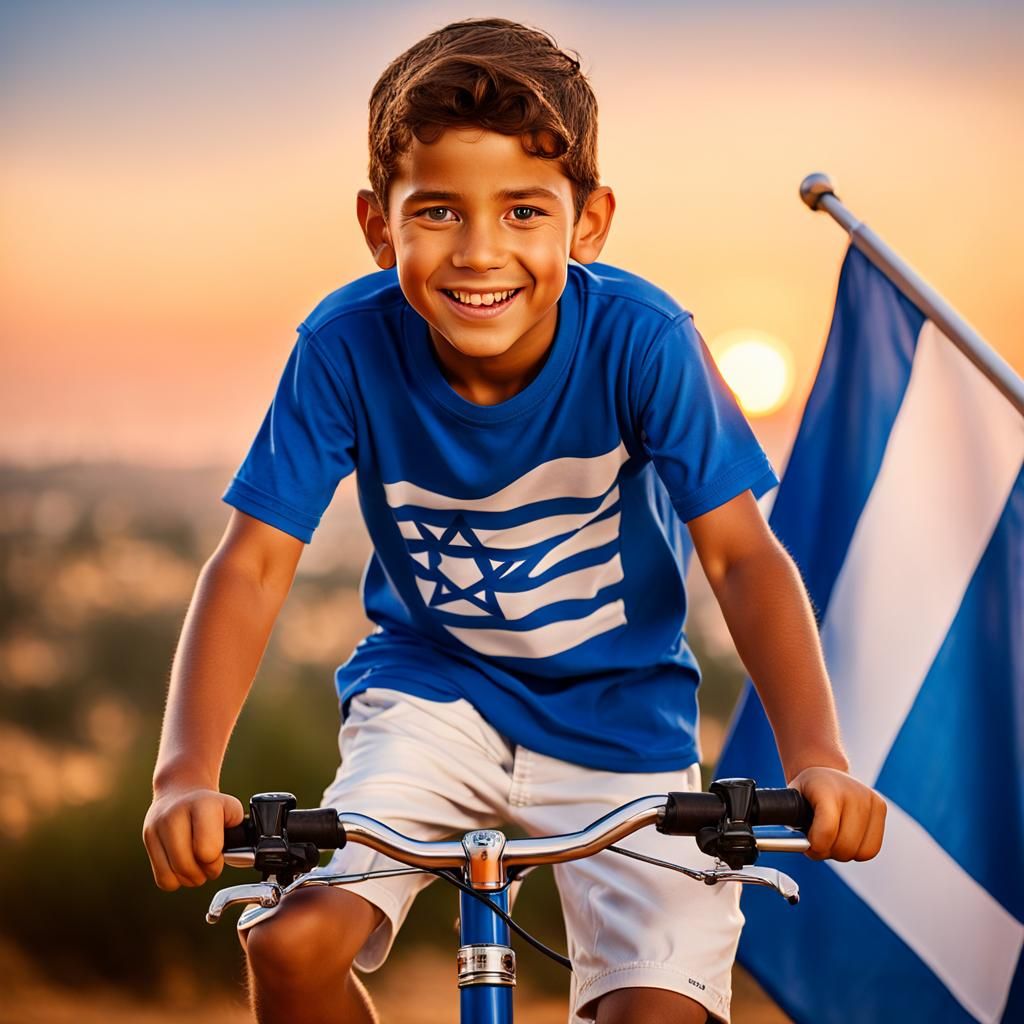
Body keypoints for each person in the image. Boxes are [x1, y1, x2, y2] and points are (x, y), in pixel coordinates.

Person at [142, 17, 886, 1024]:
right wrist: (183, 774)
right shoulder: (344, 347)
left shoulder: (642, 339)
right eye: (438, 211)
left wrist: (817, 758)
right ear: (379, 224)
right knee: (290, 941)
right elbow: (253, 566)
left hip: (620, 721)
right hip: (430, 701)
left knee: (656, 1013)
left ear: (588, 222)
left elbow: (742, 558)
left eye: (523, 210)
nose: (480, 251)